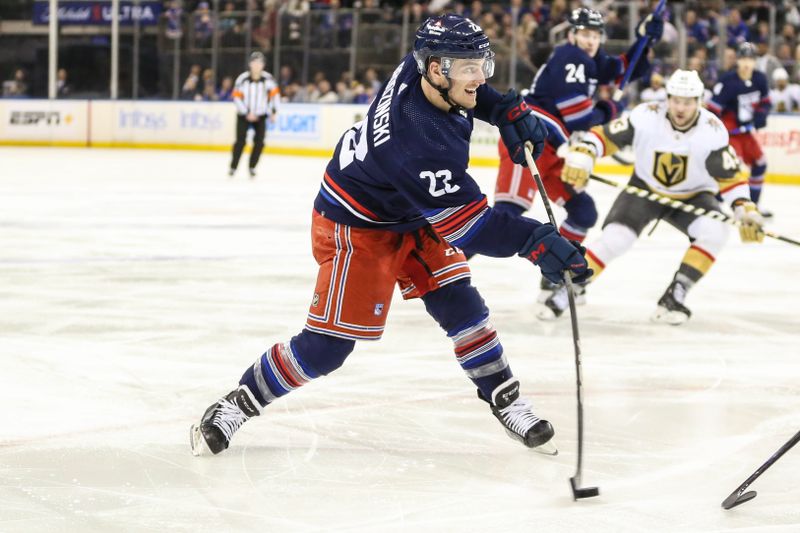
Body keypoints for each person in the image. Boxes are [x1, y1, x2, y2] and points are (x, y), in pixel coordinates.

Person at [190, 14, 590, 457]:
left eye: (482, 63)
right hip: (356, 224)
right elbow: (471, 228)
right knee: (327, 348)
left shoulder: (417, 69)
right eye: (468, 67)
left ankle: (506, 400)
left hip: (407, 208)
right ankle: (239, 403)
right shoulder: (416, 143)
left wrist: (502, 111)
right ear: (437, 70)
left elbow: (475, 98)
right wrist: (535, 241)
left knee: (461, 304)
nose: (479, 76)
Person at [540, 70, 764, 323]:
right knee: (616, 238)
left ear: (699, 101)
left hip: (693, 197)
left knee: (716, 230)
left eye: (688, 101)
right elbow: (606, 136)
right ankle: (571, 289)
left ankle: (675, 295)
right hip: (644, 191)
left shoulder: (712, 131)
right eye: (676, 100)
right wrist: (585, 153)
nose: (681, 107)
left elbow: (730, 177)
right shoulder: (646, 116)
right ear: (667, 98)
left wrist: (744, 206)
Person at [492, 6, 662, 301]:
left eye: (595, 34)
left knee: (583, 212)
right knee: (507, 216)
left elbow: (626, 67)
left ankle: (554, 274)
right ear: (572, 35)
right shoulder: (572, 57)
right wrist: (612, 109)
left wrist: (645, 42)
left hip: (552, 148)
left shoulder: (591, 61)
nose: (590, 40)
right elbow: (580, 118)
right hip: (527, 140)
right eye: (584, 33)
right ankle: (443, 265)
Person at [707, 42, 772, 214]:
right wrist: (721, 131)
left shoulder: (760, 79)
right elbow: (713, 110)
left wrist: (760, 116)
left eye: (750, 59)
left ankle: (754, 205)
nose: (746, 63)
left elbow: (765, 102)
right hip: (730, 133)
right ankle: (716, 203)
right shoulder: (727, 81)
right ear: (737, 60)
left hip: (745, 132)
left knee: (760, 163)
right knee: (732, 167)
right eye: (743, 58)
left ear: (755, 61)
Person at [229, 51, 280, 179]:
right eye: (254, 62)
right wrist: (246, 112)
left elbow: (275, 97)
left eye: (260, 62)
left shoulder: (269, 79)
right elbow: (236, 97)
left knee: (259, 142)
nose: (257, 65)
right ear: (250, 64)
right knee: (240, 141)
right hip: (244, 115)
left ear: (263, 65)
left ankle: (252, 167)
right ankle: (233, 167)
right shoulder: (242, 79)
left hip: (261, 115)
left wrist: (273, 112)